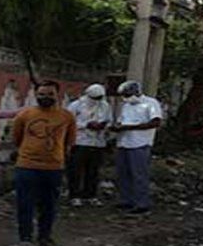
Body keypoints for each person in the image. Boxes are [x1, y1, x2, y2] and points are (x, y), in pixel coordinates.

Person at [11, 80, 77, 246]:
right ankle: (25, 238)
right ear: (35, 95)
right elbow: (17, 139)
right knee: (25, 205)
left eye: (49, 94)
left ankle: (44, 236)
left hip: (54, 168)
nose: (45, 97)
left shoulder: (67, 116)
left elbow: (69, 142)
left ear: (57, 95)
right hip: (27, 167)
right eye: (41, 95)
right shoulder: (24, 115)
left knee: (49, 206)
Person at [111, 79, 164, 215]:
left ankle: (141, 203)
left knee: (139, 174)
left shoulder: (150, 103)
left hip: (140, 143)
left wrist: (131, 127)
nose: (125, 98)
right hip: (124, 142)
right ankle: (126, 200)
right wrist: (117, 128)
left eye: (127, 95)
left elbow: (155, 122)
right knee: (123, 174)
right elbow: (121, 121)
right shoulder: (126, 106)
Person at [65, 83, 112, 206]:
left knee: (93, 171)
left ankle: (90, 195)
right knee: (76, 170)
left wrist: (104, 126)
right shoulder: (76, 105)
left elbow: (109, 120)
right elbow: (67, 122)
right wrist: (86, 125)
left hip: (98, 142)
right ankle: (74, 195)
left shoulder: (105, 106)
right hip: (80, 141)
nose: (97, 101)